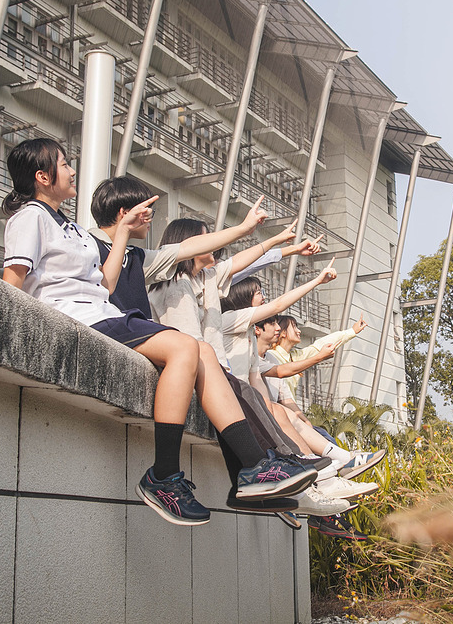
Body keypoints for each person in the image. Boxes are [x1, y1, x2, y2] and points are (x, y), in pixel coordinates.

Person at [0, 139, 316, 526]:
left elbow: (106, 283)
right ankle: (165, 475)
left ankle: (252, 469)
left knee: (200, 351)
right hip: (77, 319)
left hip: (102, 312)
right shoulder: (30, 216)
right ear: (42, 176)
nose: (71, 169)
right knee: (187, 347)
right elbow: (11, 285)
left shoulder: (71, 229)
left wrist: (121, 236)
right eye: (64, 164)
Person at [147, 215, 350, 518]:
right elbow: (187, 342)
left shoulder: (208, 278)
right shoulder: (171, 284)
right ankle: (271, 470)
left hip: (211, 368)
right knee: (241, 393)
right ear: (188, 244)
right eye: (206, 238)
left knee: (247, 394)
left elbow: (244, 261)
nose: (214, 244)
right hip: (191, 365)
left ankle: (270, 477)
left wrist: (279, 243)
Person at [270, 314, 387, 480]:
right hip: (281, 417)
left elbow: (320, 346)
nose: (298, 330)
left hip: (292, 414)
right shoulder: (271, 357)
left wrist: (351, 331)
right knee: (322, 442)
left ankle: (341, 472)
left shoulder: (294, 356)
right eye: (294, 326)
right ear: (282, 333)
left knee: (326, 437)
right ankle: (335, 475)